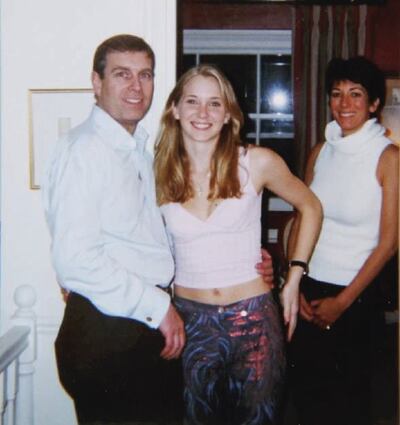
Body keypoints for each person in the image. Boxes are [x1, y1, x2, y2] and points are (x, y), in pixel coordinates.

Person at [42, 34, 274, 425]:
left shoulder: (140, 152)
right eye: (122, 74)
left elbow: (152, 237)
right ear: (96, 84)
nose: (136, 86)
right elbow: (75, 259)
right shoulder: (84, 150)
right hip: (110, 331)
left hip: (138, 327)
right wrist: (158, 307)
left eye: (145, 75)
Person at [153, 64, 322, 425]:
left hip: (255, 322)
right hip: (189, 322)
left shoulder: (257, 162)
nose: (203, 113)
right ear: (175, 109)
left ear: (229, 114)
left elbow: (311, 206)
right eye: (192, 101)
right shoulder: (156, 172)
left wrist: (294, 277)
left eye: (214, 104)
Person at [288, 56, 399, 425]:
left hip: (356, 297)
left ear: (374, 104)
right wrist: (296, 284)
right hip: (310, 288)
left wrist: (342, 302)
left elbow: (389, 243)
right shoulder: (321, 151)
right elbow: (301, 218)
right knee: (307, 401)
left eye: (356, 94)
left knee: (349, 407)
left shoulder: (389, 158)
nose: (344, 103)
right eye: (337, 94)